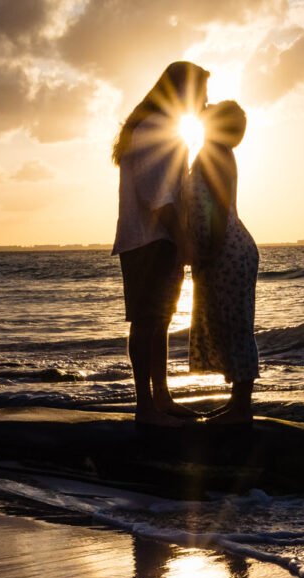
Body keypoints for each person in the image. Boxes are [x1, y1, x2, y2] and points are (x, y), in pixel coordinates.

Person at [112, 61, 210, 426]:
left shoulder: (163, 129)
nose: (205, 101)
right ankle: (146, 407)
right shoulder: (153, 129)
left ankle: (161, 397)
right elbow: (159, 197)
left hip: (159, 239)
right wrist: (184, 240)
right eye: (202, 93)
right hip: (149, 239)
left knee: (161, 320)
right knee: (146, 320)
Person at [186, 100, 259, 425]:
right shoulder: (217, 151)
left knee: (236, 327)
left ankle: (241, 408)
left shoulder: (214, 153)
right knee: (231, 325)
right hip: (231, 248)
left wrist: (209, 253)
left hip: (225, 250)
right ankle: (236, 404)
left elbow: (215, 207)